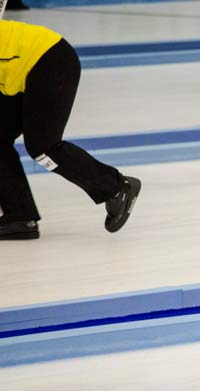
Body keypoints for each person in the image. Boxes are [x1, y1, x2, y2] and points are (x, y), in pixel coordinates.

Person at [0, 21, 141, 240]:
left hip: (50, 60)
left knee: (43, 146)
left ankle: (116, 187)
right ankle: (19, 216)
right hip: (29, 67)